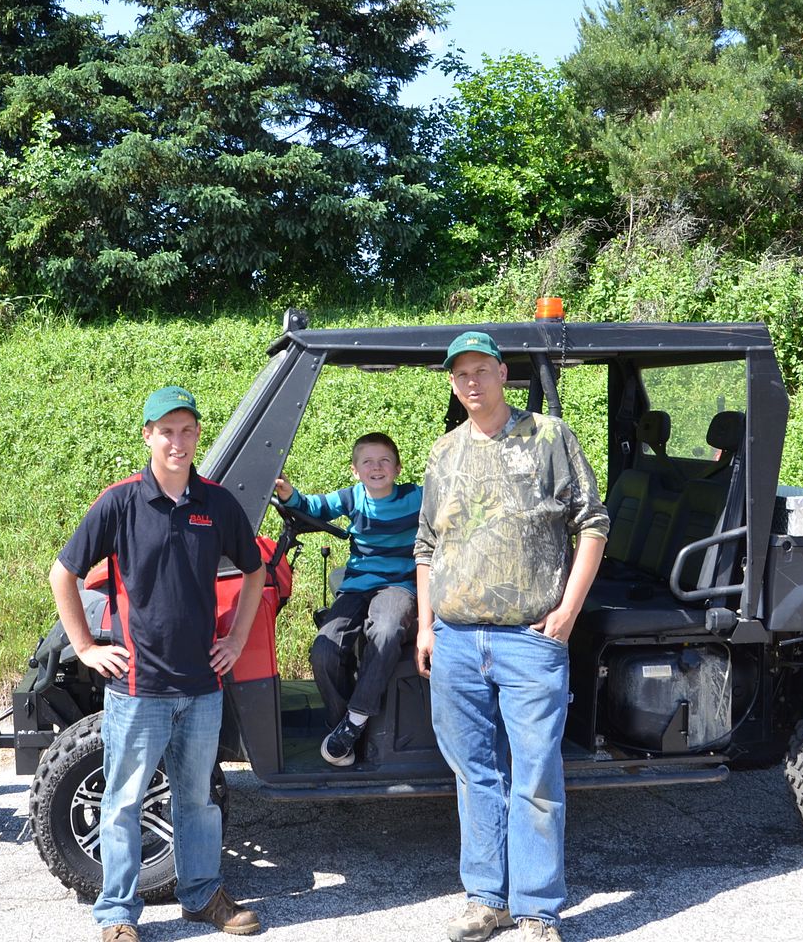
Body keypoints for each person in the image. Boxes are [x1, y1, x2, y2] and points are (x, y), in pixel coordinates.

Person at [49, 386, 268, 942]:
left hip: (201, 685)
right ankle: (117, 914)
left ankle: (201, 895)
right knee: (123, 801)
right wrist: (85, 647)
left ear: (197, 436)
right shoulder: (120, 502)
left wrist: (237, 639)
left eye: (187, 430)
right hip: (137, 687)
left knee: (197, 800)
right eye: (166, 431)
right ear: (148, 435)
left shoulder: (217, 504)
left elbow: (255, 571)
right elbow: (63, 573)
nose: (178, 441)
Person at [413, 332, 610, 942]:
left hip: (530, 639)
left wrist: (568, 612)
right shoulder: (444, 453)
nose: (471, 382)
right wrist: (425, 626)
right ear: (452, 383)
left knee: (535, 777)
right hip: (456, 638)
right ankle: (486, 900)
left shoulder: (550, 437)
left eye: (481, 370)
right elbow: (426, 546)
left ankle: (537, 911)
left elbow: (593, 524)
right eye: (460, 375)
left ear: (502, 373)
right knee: (474, 775)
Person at [274, 432, 421, 767]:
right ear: (355, 471)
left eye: (384, 460)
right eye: (367, 462)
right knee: (325, 648)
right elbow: (314, 507)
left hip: (398, 585)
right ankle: (344, 727)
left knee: (384, 632)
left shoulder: (415, 497)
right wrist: (288, 494)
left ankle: (355, 720)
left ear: (397, 468)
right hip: (356, 585)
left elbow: (451, 503)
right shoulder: (353, 498)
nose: (377, 467)